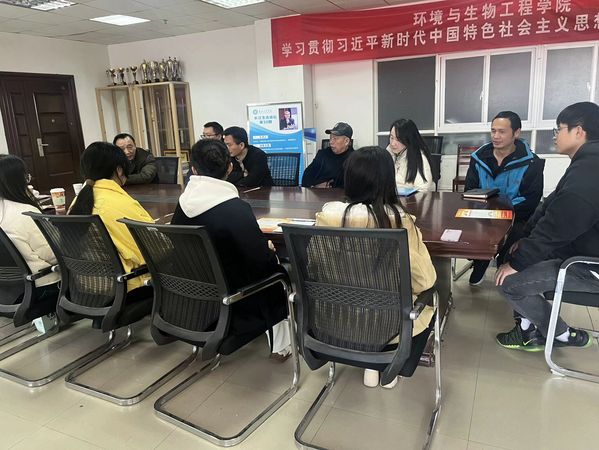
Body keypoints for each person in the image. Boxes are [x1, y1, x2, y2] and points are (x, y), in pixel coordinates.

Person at [315, 146, 437, 388]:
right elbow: (424, 281)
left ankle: (370, 365)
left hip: (335, 322)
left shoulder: (328, 217)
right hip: (391, 329)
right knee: (427, 296)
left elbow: (315, 267)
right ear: (387, 181)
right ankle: (384, 366)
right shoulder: (399, 221)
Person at [171, 138, 291, 360]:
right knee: (276, 270)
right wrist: (269, 251)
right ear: (229, 167)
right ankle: (282, 346)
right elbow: (259, 261)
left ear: (194, 169)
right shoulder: (235, 208)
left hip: (194, 299)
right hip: (235, 300)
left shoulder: (182, 205)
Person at [495, 101, 599, 352]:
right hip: (579, 248)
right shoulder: (585, 163)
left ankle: (561, 334)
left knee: (508, 282)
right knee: (512, 253)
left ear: (578, 131)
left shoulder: (589, 171)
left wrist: (519, 263)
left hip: (588, 265)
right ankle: (527, 329)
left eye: (558, 129)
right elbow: (548, 207)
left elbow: (557, 226)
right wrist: (523, 240)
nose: (555, 135)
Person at [465, 111, 544, 285]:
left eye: (502, 131)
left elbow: (531, 199)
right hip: (484, 214)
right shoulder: (478, 158)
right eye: (493, 131)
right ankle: (481, 261)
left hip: (515, 216)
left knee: (515, 234)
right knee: (467, 228)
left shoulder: (532, 162)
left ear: (516, 133)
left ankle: (505, 264)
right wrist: (488, 211)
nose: (496, 136)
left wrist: (502, 212)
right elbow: (470, 190)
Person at [69, 142, 153, 294]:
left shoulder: (78, 202)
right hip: (128, 288)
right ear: (119, 170)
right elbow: (153, 249)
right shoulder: (118, 203)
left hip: (86, 286)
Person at [0, 155, 60, 304]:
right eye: (26, 177)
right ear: (17, 181)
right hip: (42, 286)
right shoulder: (25, 212)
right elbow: (53, 254)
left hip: (8, 291)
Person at [301, 122, 354, 188]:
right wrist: (313, 187)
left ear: (346, 141)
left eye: (335, 138)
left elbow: (352, 185)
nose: (331, 142)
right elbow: (307, 174)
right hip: (315, 192)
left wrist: (328, 187)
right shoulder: (322, 154)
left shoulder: (354, 160)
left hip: (338, 194)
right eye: (330, 138)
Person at [387, 119, 435, 191]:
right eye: (391, 137)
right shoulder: (388, 153)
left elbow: (423, 189)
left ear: (408, 139)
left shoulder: (419, 158)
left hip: (412, 197)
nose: (393, 143)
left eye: (398, 140)